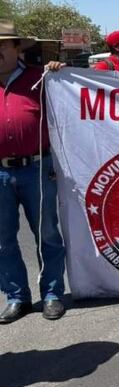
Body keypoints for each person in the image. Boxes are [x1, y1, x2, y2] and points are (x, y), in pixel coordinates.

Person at [0, 22, 66, 323]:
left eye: (2, 45)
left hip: (37, 168)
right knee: (3, 240)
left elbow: (69, 110)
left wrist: (62, 73)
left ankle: (52, 294)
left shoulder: (42, 78)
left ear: (17, 48)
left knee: (47, 234)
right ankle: (18, 297)